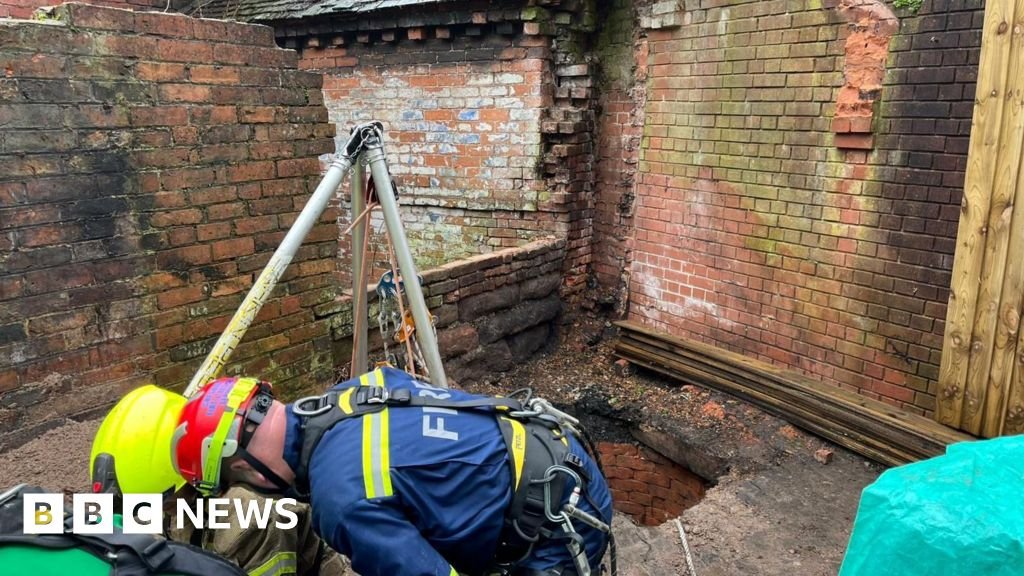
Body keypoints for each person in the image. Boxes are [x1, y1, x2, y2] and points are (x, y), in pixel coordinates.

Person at [169, 367, 614, 576]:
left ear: (244, 467)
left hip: (557, 525)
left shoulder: (340, 499)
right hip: (554, 451)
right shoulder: (356, 389)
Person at [90, 385, 349, 576]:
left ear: (189, 481)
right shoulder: (176, 496)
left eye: (159, 504)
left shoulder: (252, 515)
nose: (150, 515)